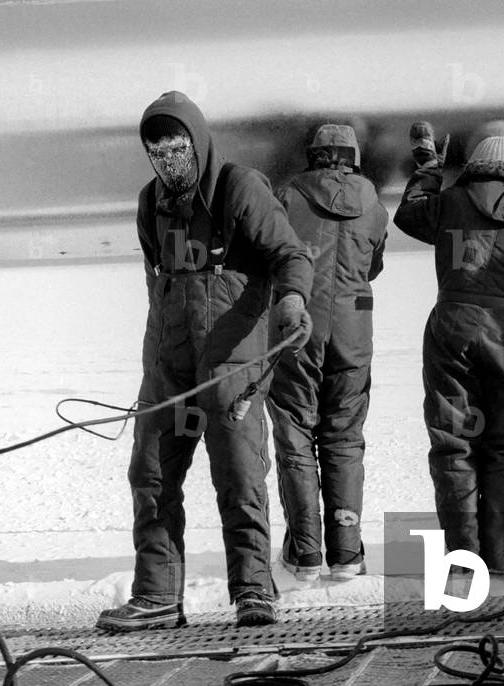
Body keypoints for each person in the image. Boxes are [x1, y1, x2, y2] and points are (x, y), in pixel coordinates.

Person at [97, 91, 313, 631]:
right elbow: (158, 289)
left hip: (231, 363)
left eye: (177, 149)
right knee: (150, 475)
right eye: (158, 153)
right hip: (170, 370)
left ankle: (253, 592)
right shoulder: (151, 204)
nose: (169, 162)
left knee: (239, 477)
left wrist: (291, 298)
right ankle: (157, 597)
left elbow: (289, 254)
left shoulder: (240, 189)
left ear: (197, 141)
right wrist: (152, 371)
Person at [393, 122, 504, 573]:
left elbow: (407, 216)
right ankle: (501, 558)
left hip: (453, 327)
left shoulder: (449, 205)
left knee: (454, 444)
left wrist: (429, 168)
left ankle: (465, 562)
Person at [267, 124, 388, 581]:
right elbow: (373, 264)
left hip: (298, 327)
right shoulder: (374, 205)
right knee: (344, 437)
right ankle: (346, 552)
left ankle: (304, 553)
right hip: (355, 329)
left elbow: (272, 252)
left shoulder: (289, 196)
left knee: (296, 433)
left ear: (313, 156)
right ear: (354, 158)